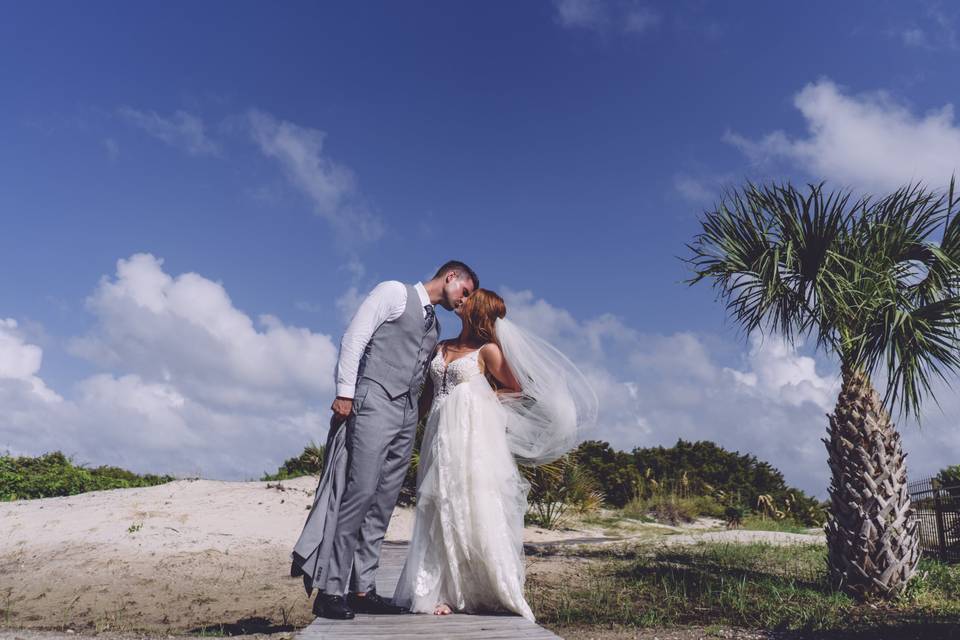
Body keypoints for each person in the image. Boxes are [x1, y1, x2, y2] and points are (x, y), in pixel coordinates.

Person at [393, 289, 598, 620]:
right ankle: (439, 589)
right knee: (436, 504)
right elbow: (428, 398)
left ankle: (478, 587)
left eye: (470, 300)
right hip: (437, 433)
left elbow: (516, 389)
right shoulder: (441, 347)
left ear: (478, 311)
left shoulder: (487, 351)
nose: (462, 300)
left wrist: (478, 400)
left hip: (470, 437)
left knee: (467, 504)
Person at [291, 261, 479, 620]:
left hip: (407, 415)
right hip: (374, 400)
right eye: (465, 292)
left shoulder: (435, 324)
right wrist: (345, 392)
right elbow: (355, 337)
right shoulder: (394, 292)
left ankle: (362, 587)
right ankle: (331, 589)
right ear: (451, 277)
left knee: (383, 502)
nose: (465, 301)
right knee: (359, 493)